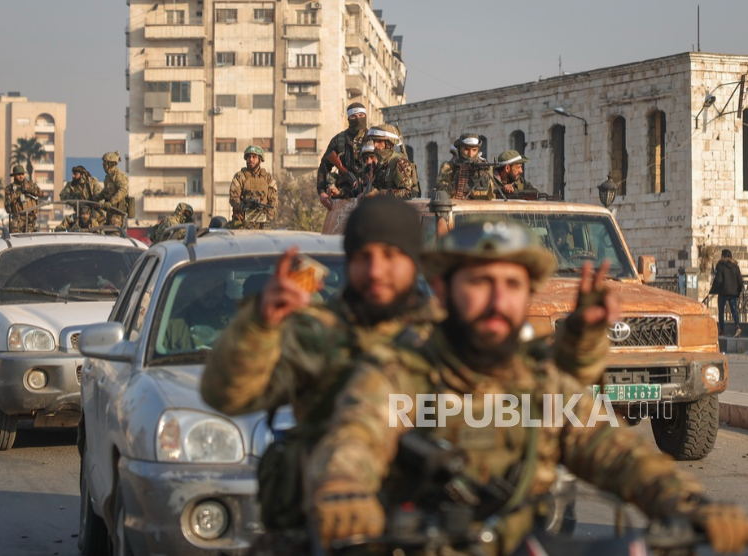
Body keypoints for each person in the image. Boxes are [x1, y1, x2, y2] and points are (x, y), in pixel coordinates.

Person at [306, 220, 748, 555]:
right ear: (441, 288)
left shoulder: (545, 388)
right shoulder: (397, 374)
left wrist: (688, 505)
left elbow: (616, 452)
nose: (499, 301)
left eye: (512, 285)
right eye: (481, 283)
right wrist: (345, 492)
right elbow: (355, 438)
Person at [202, 197, 442, 536]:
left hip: (431, 527)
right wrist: (260, 325)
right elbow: (226, 395)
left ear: (414, 259)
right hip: (330, 525)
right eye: (363, 257)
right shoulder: (318, 334)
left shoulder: (447, 336)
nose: (375, 270)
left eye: (390, 255)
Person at [317, 102, 369, 209]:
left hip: (369, 195)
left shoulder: (373, 139)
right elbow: (324, 166)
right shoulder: (339, 140)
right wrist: (321, 191)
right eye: (354, 116)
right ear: (348, 119)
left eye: (361, 115)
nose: (358, 119)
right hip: (343, 196)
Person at [362, 124, 420, 200]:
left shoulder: (399, 163)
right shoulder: (380, 164)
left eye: (379, 141)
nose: (375, 145)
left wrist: (380, 194)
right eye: (374, 141)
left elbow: (407, 194)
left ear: (388, 144)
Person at [229, 145, 277, 229]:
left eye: (254, 157)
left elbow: (274, 200)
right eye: (248, 157)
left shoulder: (268, 178)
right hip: (243, 221)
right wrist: (243, 207)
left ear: (260, 159)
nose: (251, 159)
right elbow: (233, 197)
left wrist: (268, 214)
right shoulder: (240, 176)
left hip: (263, 221)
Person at [436, 133, 496, 200]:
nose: (470, 154)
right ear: (460, 149)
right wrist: (457, 184)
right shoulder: (449, 166)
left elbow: (491, 193)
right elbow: (441, 189)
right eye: (466, 149)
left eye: (474, 150)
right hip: (457, 205)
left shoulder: (484, 167)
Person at [708, 249, 744, 337]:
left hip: (723, 292)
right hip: (733, 293)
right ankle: (737, 327)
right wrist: (738, 292)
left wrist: (713, 289)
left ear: (723, 256)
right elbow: (740, 281)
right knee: (734, 311)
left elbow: (719, 280)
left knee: (721, 312)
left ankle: (722, 331)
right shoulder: (736, 267)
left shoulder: (720, 265)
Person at [93, 151, 129, 228]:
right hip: (110, 211)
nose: (103, 164)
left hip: (117, 212)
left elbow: (123, 190)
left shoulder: (118, 175)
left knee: (114, 233)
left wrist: (111, 203)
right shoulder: (109, 177)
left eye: (105, 162)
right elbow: (106, 192)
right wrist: (95, 198)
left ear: (110, 163)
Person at [5, 165, 42, 233]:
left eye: (22, 174)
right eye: (19, 174)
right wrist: (20, 191)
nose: (21, 176)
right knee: (16, 238)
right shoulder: (9, 188)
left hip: (31, 218)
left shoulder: (30, 184)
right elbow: (8, 202)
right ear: (14, 175)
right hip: (18, 218)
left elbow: (41, 193)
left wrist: (30, 189)